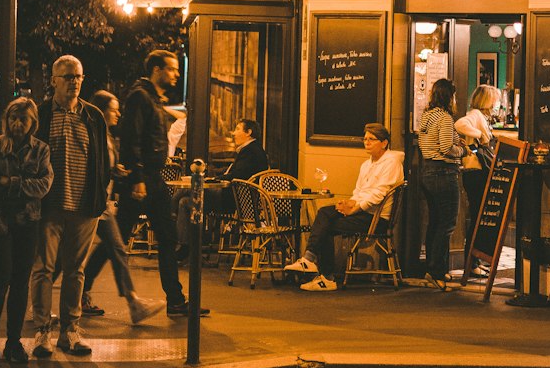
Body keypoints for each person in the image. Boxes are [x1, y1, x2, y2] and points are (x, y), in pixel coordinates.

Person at [29, 55, 112, 359]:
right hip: (48, 206)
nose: (75, 82)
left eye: (78, 76)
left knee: (76, 272)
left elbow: (103, 159)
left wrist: (101, 195)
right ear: (53, 81)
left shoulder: (93, 117)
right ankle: (42, 332)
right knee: (43, 270)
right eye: (68, 77)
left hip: (84, 205)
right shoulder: (40, 115)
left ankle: (70, 331)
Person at [117, 49, 208, 318]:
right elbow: (131, 138)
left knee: (165, 237)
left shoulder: (153, 99)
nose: (176, 74)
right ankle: (82, 290)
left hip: (152, 178)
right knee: (117, 239)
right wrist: (136, 179)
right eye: (172, 69)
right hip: (143, 179)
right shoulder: (140, 97)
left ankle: (176, 300)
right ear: (157, 70)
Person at [0, 98, 53, 364]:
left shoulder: (41, 150)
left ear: (33, 123)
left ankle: (13, 342)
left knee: (20, 284)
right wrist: (20, 189)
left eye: (23, 119)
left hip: (26, 222)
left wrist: (11, 182)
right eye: (13, 118)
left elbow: (44, 184)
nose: (17, 124)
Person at [284, 123, 404, 291]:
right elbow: (359, 191)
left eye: (372, 139)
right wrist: (349, 203)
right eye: (365, 139)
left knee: (327, 225)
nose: (367, 143)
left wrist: (355, 208)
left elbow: (379, 194)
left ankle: (324, 274)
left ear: (384, 143)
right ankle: (311, 262)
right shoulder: (366, 165)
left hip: (376, 218)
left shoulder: (391, 163)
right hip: (363, 211)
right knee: (325, 212)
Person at [80, 91, 162, 324]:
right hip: (89, 203)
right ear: (101, 111)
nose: (118, 113)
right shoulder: (92, 134)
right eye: (114, 109)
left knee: (116, 249)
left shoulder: (106, 135)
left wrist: (116, 172)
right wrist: (112, 172)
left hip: (101, 204)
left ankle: (133, 302)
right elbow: (89, 168)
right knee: (73, 257)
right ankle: (40, 302)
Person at [174, 118, 270, 259]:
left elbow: (238, 175)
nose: (234, 133)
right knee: (184, 202)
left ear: (249, 132)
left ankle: (169, 216)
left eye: (237, 129)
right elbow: (236, 171)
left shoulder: (251, 151)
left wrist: (217, 179)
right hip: (234, 198)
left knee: (188, 190)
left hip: (234, 201)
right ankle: (185, 246)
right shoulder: (252, 150)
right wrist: (218, 174)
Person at [417, 78, 464, 290]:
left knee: (435, 222)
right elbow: (446, 147)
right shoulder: (444, 118)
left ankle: (433, 267)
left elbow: (431, 143)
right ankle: (437, 272)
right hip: (444, 173)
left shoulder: (427, 116)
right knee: (447, 224)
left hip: (427, 171)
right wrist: (461, 151)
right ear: (449, 96)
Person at [454, 84, 500, 265]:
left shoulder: (483, 116)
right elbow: (459, 124)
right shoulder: (476, 115)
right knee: (477, 216)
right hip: (475, 173)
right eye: (494, 99)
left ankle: (473, 262)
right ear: (487, 100)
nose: (496, 103)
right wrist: (480, 134)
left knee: (478, 217)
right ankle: (471, 263)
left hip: (477, 173)